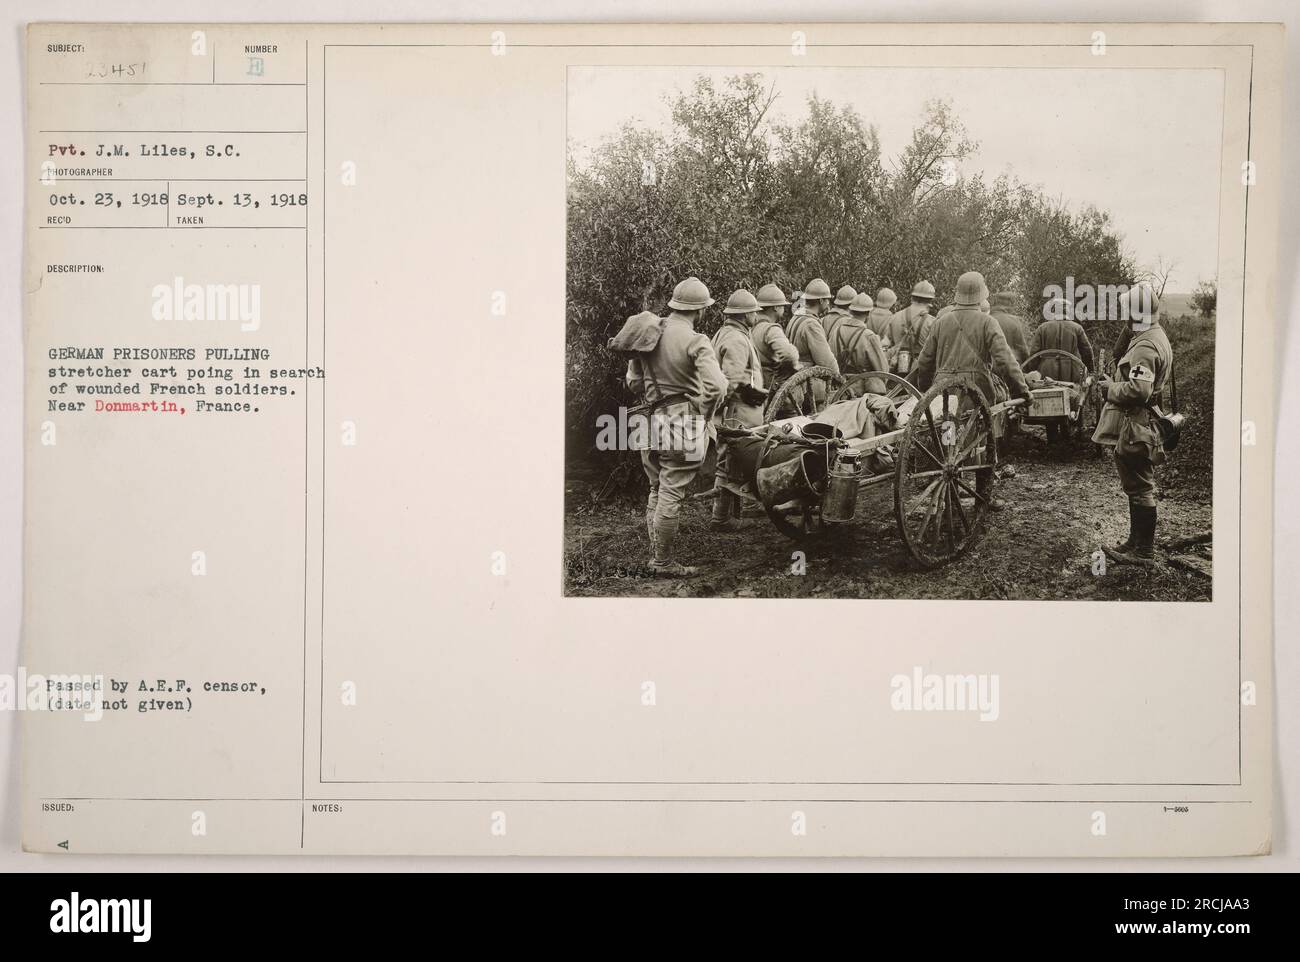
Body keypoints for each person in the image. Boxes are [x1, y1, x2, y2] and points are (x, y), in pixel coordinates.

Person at [625, 276, 727, 576]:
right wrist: (704, 414)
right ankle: (663, 562)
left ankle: (656, 554)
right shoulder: (696, 340)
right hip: (683, 422)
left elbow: (633, 384)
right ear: (701, 310)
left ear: (674, 305)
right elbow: (718, 387)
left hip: (649, 421)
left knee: (656, 488)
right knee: (670, 493)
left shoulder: (648, 333)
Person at [913, 272, 1031, 499]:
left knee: (950, 432)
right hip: (978, 391)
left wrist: (928, 392)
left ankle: (952, 490)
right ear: (981, 296)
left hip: (945, 390)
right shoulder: (988, 322)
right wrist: (1022, 391)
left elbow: (924, 361)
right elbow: (1005, 361)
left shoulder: (941, 321)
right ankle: (983, 495)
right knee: (985, 437)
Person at [1093, 284, 1173, 565]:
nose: (1124, 314)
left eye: (1128, 310)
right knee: (1136, 484)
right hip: (1140, 421)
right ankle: (1135, 542)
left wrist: (1109, 389)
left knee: (1140, 486)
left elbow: (1139, 390)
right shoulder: (1151, 335)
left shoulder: (1146, 346)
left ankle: (1144, 552)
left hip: (1138, 422)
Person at [709, 290, 766, 532]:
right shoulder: (736, 339)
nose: (756, 315)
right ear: (744, 315)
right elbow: (730, 381)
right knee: (731, 461)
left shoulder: (728, 333)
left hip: (736, 409)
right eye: (754, 311)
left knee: (731, 461)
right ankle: (721, 518)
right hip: (738, 412)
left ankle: (727, 515)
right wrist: (725, 406)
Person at [1030, 296, 1096, 443]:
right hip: (1071, 369)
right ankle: (1069, 431)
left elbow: (1034, 353)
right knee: (1072, 396)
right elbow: (1086, 351)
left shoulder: (1043, 328)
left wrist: (1030, 371)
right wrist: (1090, 370)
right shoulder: (1076, 328)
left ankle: (1052, 436)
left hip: (1047, 369)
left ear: (1053, 311)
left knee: (1050, 397)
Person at [833, 292, 889, 394]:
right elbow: (883, 371)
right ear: (868, 313)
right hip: (862, 392)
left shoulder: (836, 331)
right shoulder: (869, 336)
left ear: (850, 311)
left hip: (839, 388)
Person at [784, 278, 841, 374]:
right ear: (821, 301)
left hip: (791, 374)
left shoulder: (796, 317)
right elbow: (826, 362)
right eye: (827, 299)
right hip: (806, 381)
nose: (828, 303)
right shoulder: (811, 324)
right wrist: (838, 377)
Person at [750, 283, 800, 388]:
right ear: (776, 307)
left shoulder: (751, 327)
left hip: (754, 383)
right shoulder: (771, 329)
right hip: (770, 386)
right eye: (782, 305)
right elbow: (789, 355)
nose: (783, 308)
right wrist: (795, 367)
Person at [885, 280, 937, 374]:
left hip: (895, 371)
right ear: (930, 301)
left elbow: (886, 344)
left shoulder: (895, 316)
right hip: (920, 373)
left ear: (912, 297)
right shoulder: (932, 322)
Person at [988, 291, 1032, 365]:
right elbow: (1022, 348)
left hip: (990, 367)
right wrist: (1029, 366)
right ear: (1010, 304)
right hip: (1012, 366)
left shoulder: (986, 319)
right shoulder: (1015, 321)